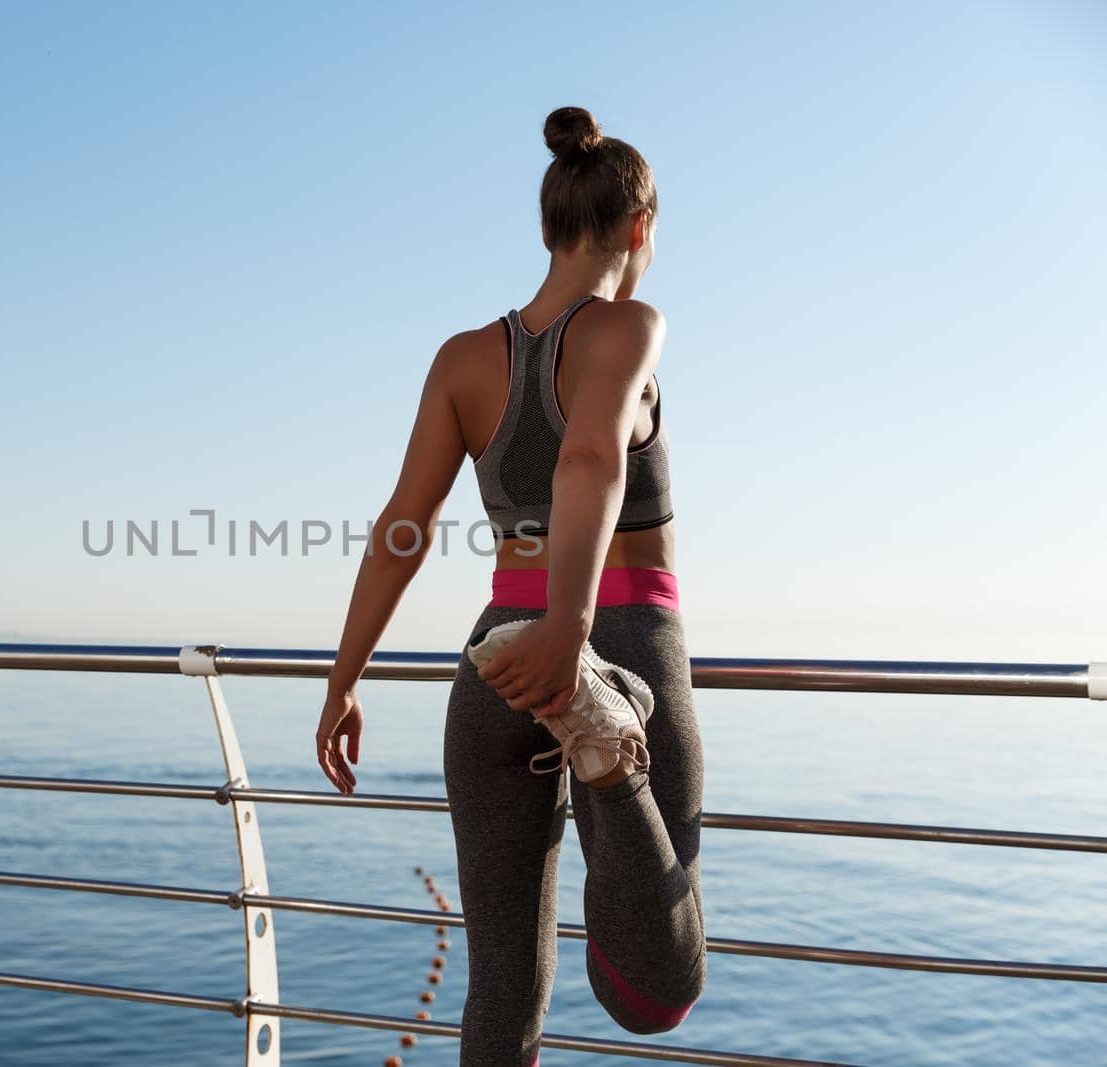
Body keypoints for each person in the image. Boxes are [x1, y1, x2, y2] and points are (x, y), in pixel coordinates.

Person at [314, 105, 706, 1065]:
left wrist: (343, 677)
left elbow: (403, 526)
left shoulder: (462, 358)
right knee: (657, 989)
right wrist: (572, 638)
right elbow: (589, 461)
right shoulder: (630, 325)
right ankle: (607, 753)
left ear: (548, 227)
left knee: (499, 986)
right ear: (640, 228)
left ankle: (596, 731)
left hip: (495, 662)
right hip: (613, 644)